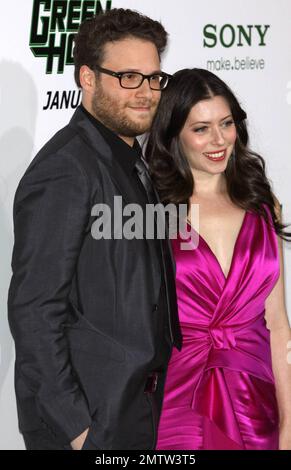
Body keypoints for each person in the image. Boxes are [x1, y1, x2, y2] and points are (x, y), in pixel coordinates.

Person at [7, 8, 182, 451]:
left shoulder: (129, 158)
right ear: (87, 78)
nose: (145, 92)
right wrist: (77, 427)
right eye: (128, 77)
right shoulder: (67, 168)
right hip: (90, 420)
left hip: (131, 406)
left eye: (153, 78)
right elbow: (34, 310)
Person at [146, 68, 291, 450]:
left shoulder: (263, 206)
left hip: (256, 397)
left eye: (226, 123)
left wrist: (290, 420)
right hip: (179, 401)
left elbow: (277, 324)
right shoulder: (151, 213)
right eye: (201, 128)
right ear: (173, 133)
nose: (218, 140)